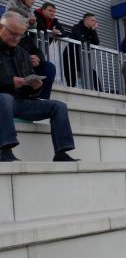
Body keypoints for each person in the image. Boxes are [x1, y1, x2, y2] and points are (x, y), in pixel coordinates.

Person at [0, 11, 77, 162]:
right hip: (3, 101)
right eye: (13, 33)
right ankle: (5, 151)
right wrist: (10, 82)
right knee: (4, 98)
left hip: (21, 102)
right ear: (1, 27)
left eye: (20, 35)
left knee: (58, 106)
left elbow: (28, 84)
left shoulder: (22, 53)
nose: (16, 39)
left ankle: (61, 152)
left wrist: (35, 87)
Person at [63, 13, 100, 89]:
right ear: (86, 19)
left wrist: (93, 31)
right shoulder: (76, 27)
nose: (95, 22)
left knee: (91, 72)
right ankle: (70, 89)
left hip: (82, 56)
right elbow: (79, 39)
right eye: (93, 20)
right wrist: (88, 42)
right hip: (70, 54)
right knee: (71, 75)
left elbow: (96, 43)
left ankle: (100, 91)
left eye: (95, 21)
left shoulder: (91, 31)